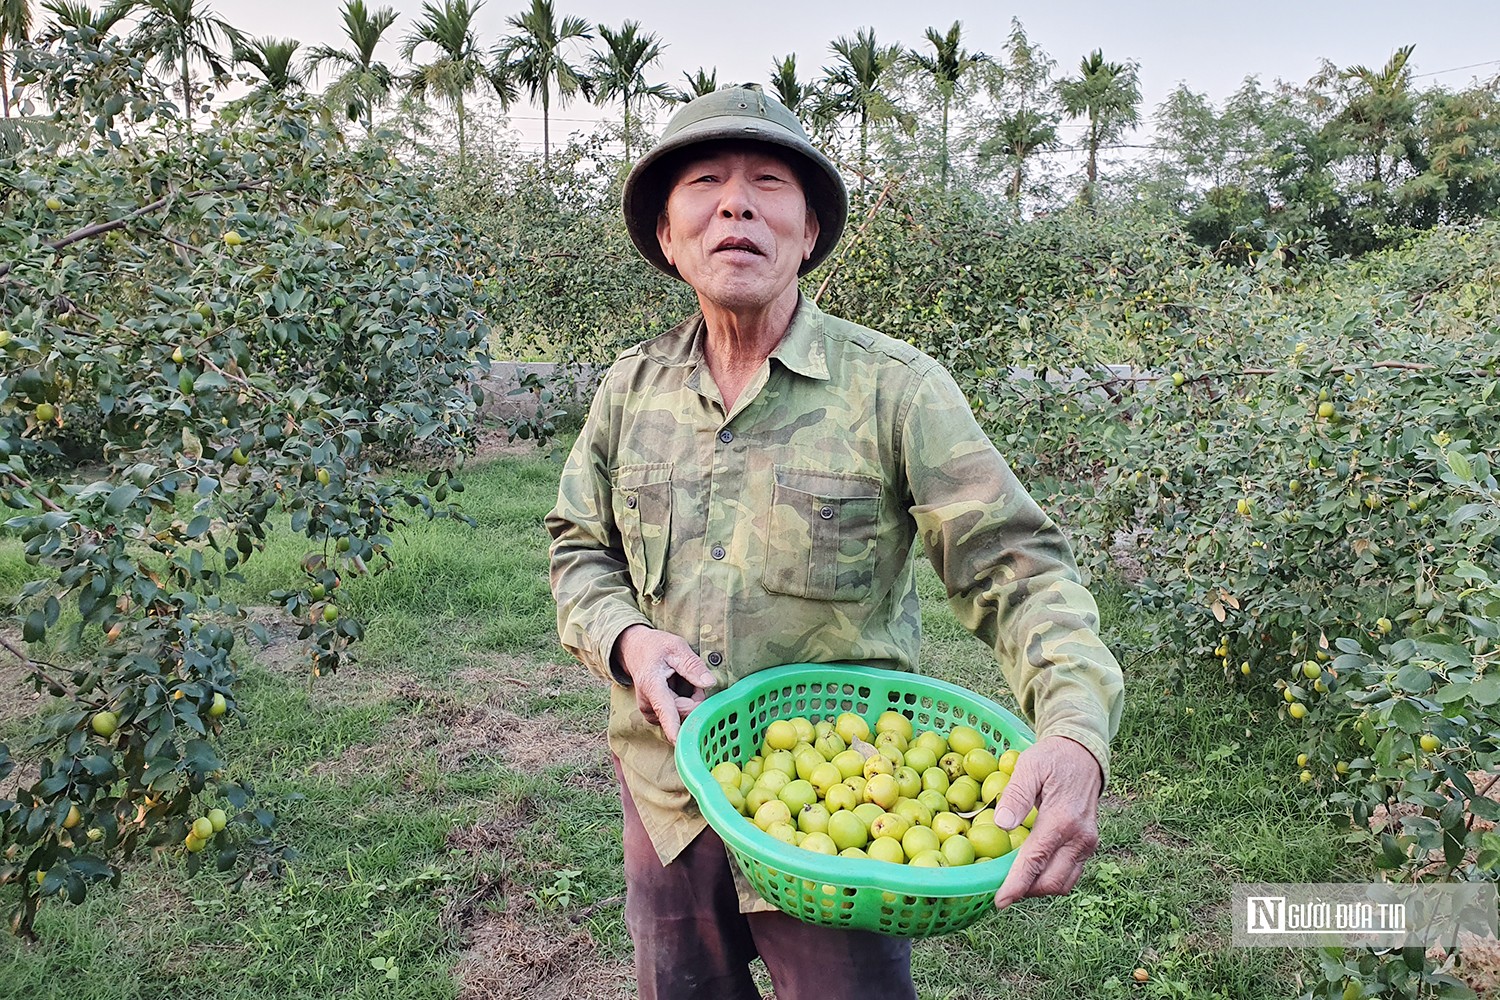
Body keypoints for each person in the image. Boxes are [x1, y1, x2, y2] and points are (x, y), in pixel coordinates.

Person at [546, 85, 1124, 1000]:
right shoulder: (630, 390)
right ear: (668, 235)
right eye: (706, 180)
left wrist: (1076, 730)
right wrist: (628, 638)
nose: (736, 202)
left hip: (849, 816)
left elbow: (1016, 567)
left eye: (769, 181)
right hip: (667, 796)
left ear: (809, 232)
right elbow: (578, 548)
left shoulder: (896, 389)